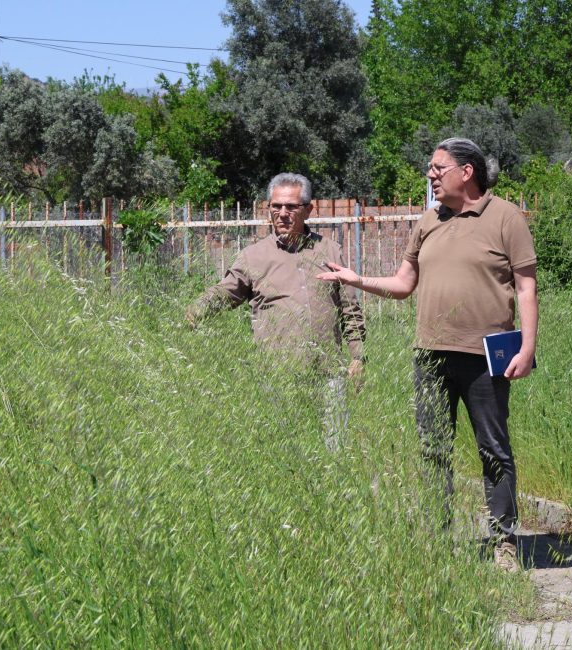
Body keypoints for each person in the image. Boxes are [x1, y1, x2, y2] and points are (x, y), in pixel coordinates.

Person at [316, 138, 537, 571]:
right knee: (433, 448)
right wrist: (356, 279)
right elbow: (403, 285)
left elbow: (526, 286)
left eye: (438, 168)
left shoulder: (505, 217)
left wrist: (527, 347)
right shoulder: (428, 220)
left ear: (466, 172)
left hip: (486, 356)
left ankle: (504, 541)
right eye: (430, 168)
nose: (431, 175)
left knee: (493, 449)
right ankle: (436, 538)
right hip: (431, 356)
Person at [186, 172, 366, 451]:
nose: (282, 214)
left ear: (308, 210)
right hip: (279, 376)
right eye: (276, 206)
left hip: (328, 374)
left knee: (336, 452)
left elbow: (349, 308)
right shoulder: (253, 257)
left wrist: (358, 356)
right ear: (268, 208)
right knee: (286, 450)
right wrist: (193, 313)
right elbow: (226, 291)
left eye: (291, 207)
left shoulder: (330, 250)